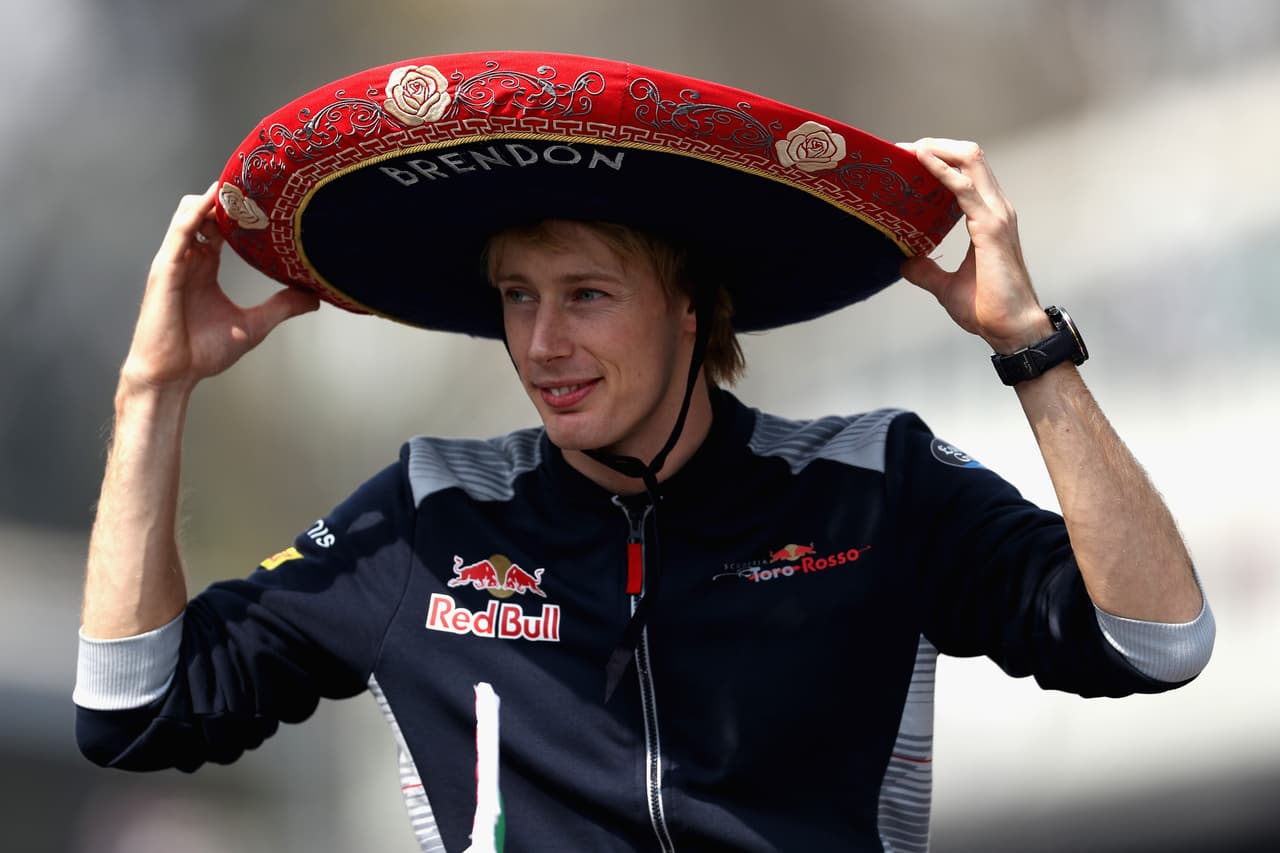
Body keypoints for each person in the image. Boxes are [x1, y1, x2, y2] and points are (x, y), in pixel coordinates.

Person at [74, 52, 1213, 853]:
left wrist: (1027, 348)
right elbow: (132, 710)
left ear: (687, 310)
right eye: (516, 297)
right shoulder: (431, 516)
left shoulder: (876, 486)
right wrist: (152, 392)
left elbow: (1155, 641)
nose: (539, 341)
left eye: (583, 295)